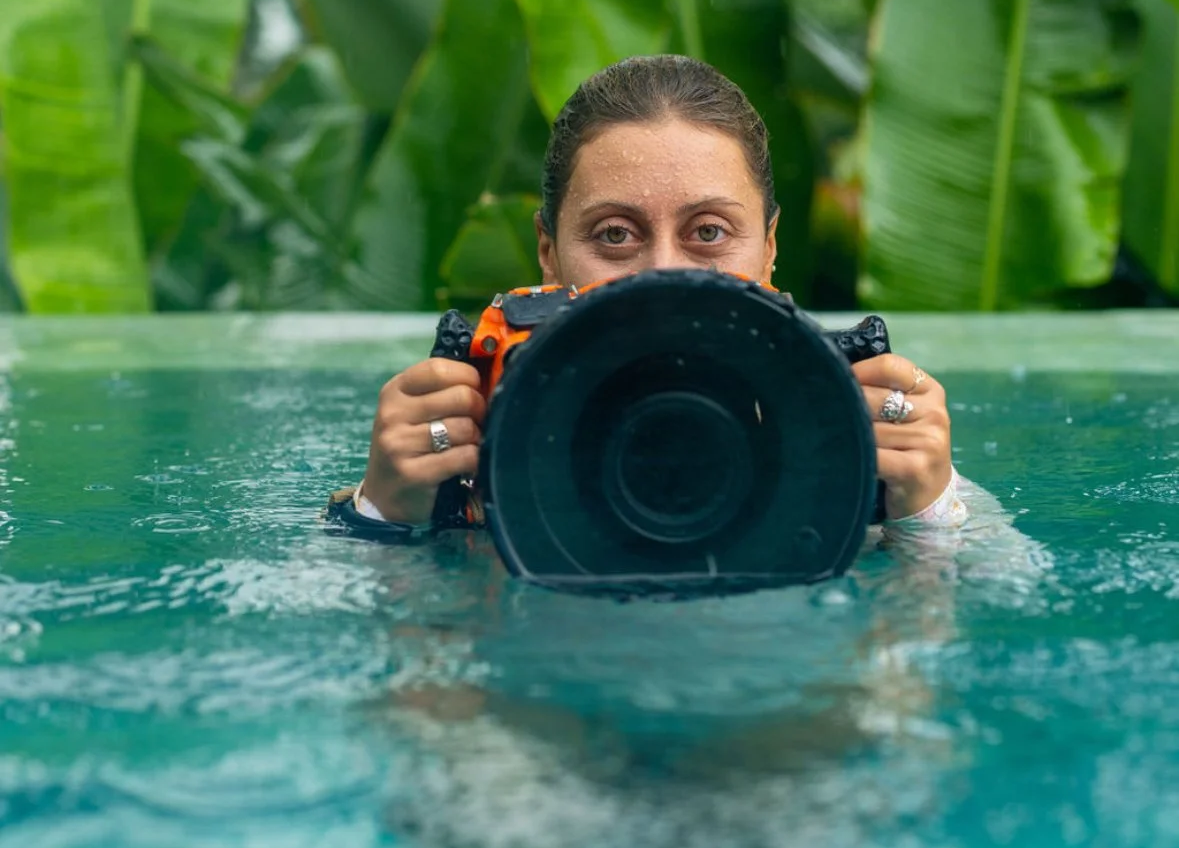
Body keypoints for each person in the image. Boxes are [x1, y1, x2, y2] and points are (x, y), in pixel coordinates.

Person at [331, 54, 963, 542]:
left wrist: (930, 510)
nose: (662, 271)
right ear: (549, 253)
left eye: (708, 232)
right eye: (615, 235)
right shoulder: (477, 439)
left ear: (769, 248)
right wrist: (382, 510)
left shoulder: (851, 430)